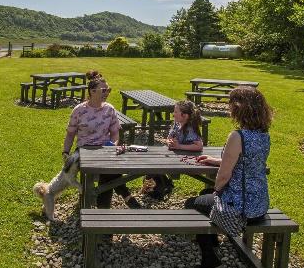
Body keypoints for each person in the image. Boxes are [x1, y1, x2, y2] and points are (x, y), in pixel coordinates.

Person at [184, 86, 272, 268]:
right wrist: (215, 160)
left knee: (193, 204)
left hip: (240, 209)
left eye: (231, 104)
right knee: (204, 195)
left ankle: (210, 260)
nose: (229, 108)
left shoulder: (237, 136)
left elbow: (223, 177)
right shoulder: (264, 135)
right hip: (259, 205)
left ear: (239, 108)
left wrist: (217, 191)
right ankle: (213, 240)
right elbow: (246, 162)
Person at [62, 70, 142, 209]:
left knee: (109, 170)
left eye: (109, 90)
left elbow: (115, 133)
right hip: (84, 150)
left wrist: (113, 145)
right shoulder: (79, 110)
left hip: (105, 149)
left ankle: (103, 209)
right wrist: (65, 152)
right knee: (109, 172)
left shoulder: (109, 109)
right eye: (104, 90)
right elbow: (70, 134)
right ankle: (124, 197)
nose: (107, 93)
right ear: (92, 91)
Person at [147, 100, 204, 200]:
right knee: (152, 161)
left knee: (155, 165)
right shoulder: (177, 124)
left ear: (185, 116)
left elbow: (199, 146)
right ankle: (157, 186)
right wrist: (169, 142)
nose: (173, 114)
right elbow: (169, 137)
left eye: (176, 112)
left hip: (186, 160)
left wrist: (179, 146)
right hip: (175, 155)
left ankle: (161, 187)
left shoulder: (189, 129)